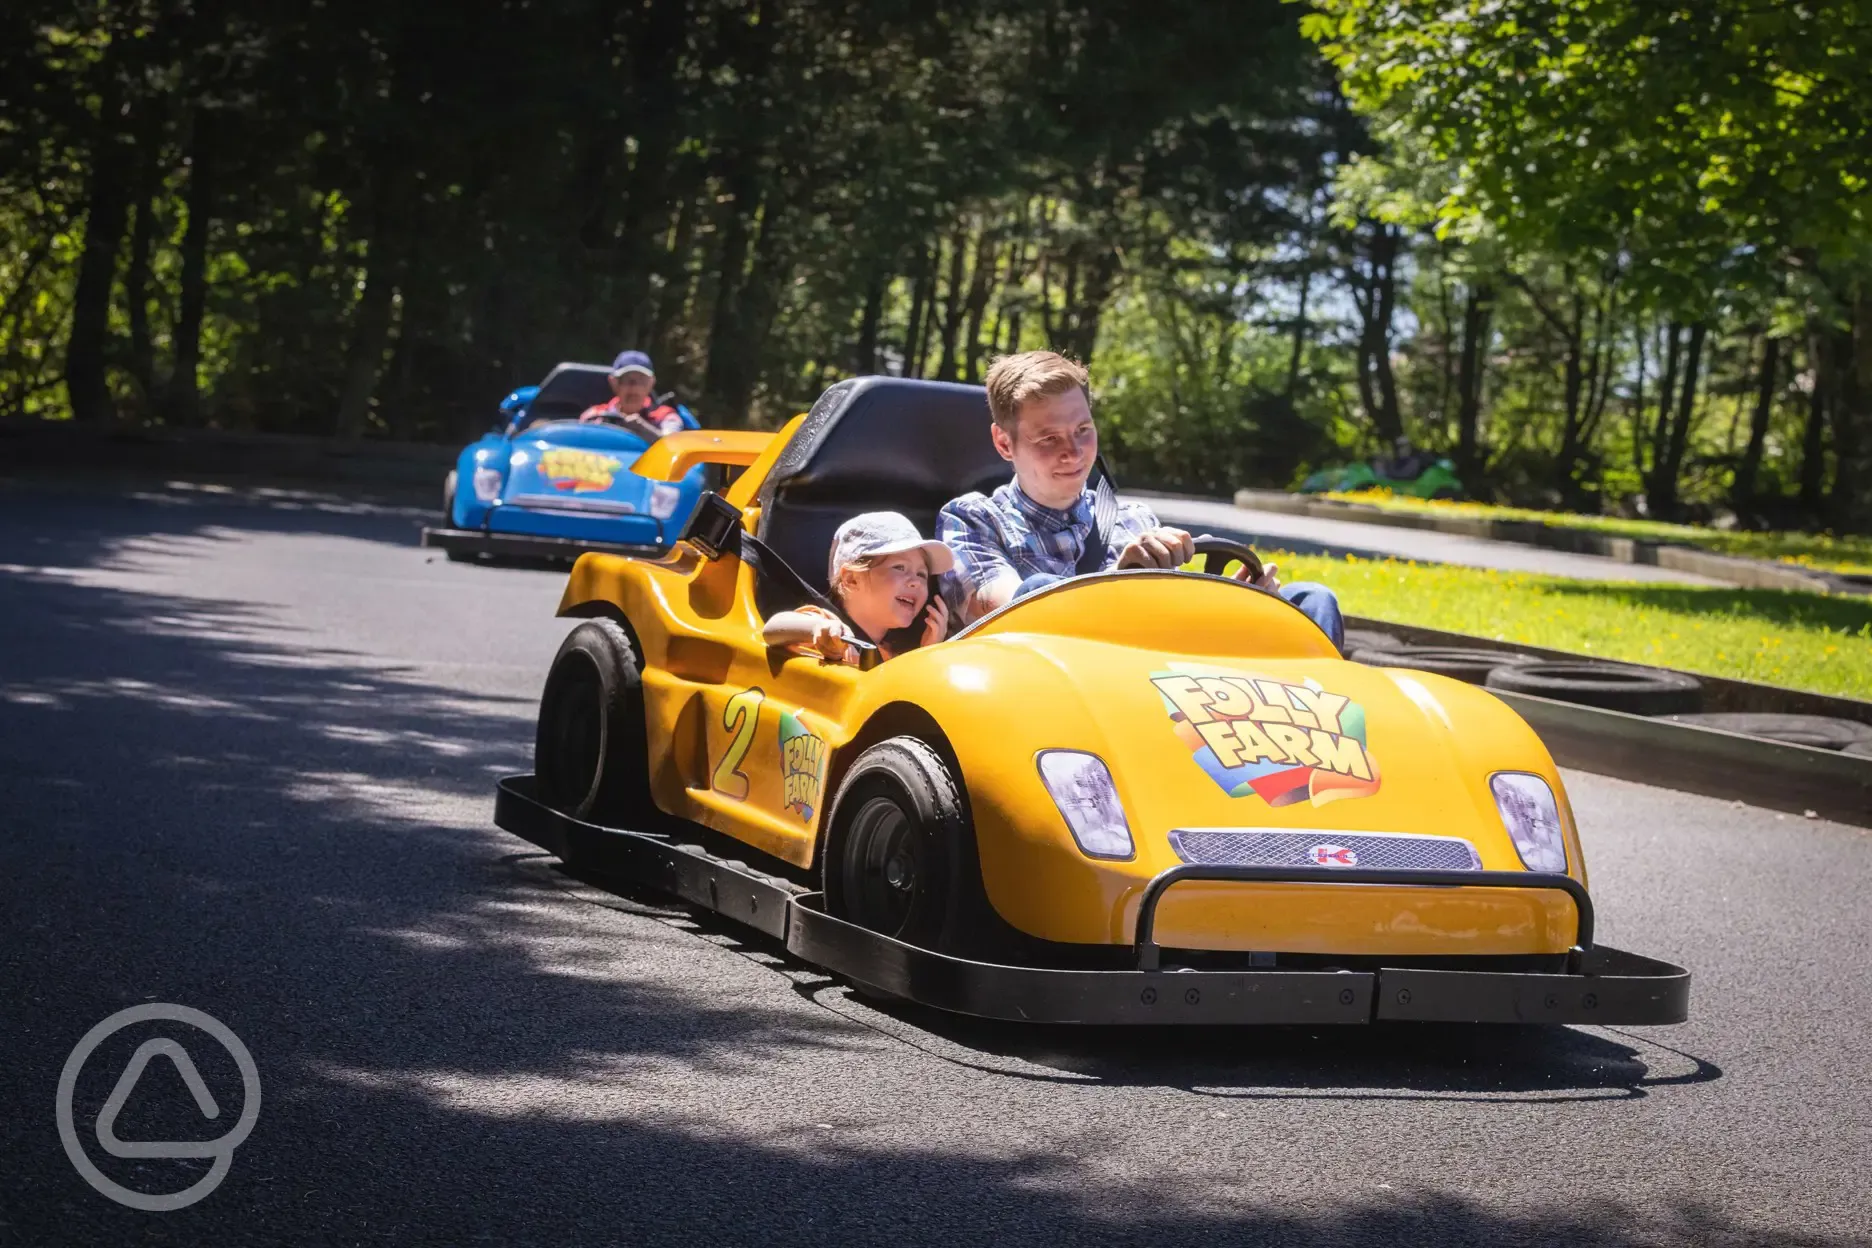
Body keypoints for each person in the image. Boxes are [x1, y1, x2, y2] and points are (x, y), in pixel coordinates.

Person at [935, 350, 1344, 650]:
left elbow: (1172, 623)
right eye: (1049, 439)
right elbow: (1006, 615)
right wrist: (1116, 582)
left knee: (1311, 600)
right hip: (1054, 692)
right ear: (1004, 443)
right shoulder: (972, 520)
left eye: (1083, 430)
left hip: (1157, 679)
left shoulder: (1134, 520)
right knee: (1041, 591)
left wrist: (1235, 600)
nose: (1073, 452)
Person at [762, 512, 952, 666]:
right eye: (899, 567)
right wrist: (817, 629)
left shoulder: (891, 656)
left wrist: (926, 653)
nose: (915, 582)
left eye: (922, 574)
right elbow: (773, 628)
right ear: (852, 579)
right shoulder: (831, 626)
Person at [579, 350, 690, 439]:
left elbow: (671, 447)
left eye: (642, 381)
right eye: (627, 380)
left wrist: (641, 428)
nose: (634, 388)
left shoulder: (666, 417)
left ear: (651, 383)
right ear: (613, 382)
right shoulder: (594, 416)